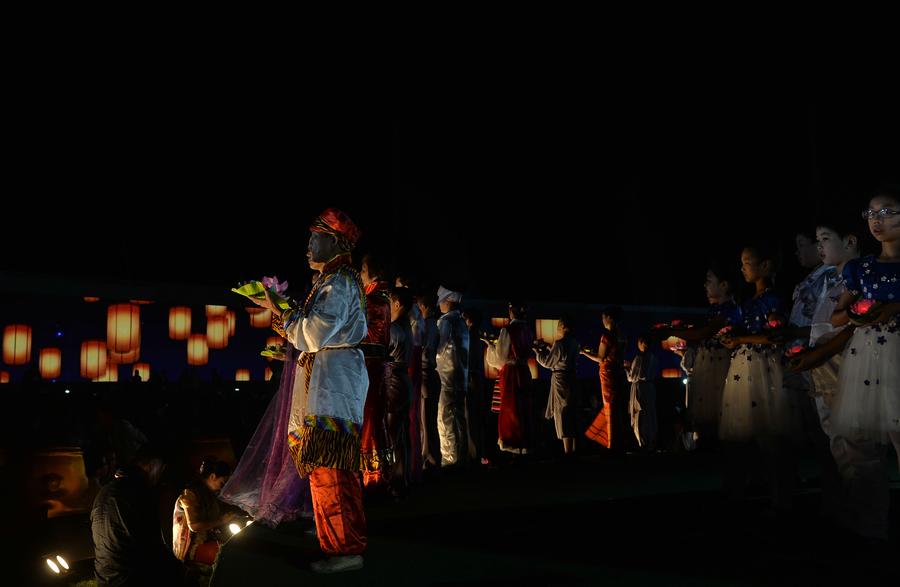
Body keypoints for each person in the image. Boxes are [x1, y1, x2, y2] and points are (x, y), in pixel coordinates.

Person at [252, 208, 368, 574]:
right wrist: (281, 311)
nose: (307, 246)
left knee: (329, 469)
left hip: (333, 383)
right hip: (331, 377)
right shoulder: (334, 280)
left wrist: (282, 314)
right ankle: (336, 537)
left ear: (333, 242)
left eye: (313, 238)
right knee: (329, 468)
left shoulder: (339, 282)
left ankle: (343, 548)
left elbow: (314, 334)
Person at [814, 186, 900, 540]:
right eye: (871, 214)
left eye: (887, 212)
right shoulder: (861, 268)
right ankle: (872, 524)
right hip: (866, 359)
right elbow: (836, 316)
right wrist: (859, 312)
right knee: (858, 444)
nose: (877, 221)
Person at [718, 244, 792, 510]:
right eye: (742, 263)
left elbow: (775, 335)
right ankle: (748, 493)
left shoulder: (773, 299)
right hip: (744, 368)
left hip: (763, 367)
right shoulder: (748, 302)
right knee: (744, 434)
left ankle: (780, 499)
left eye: (748, 262)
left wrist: (739, 338)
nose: (743, 268)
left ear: (766, 266)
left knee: (769, 435)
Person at [658, 263, 742, 449]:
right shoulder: (714, 311)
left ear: (724, 285)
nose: (705, 285)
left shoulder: (730, 309)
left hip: (722, 366)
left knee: (722, 412)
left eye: (709, 281)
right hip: (709, 365)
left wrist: (674, 331)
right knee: (707, 416)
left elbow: (705, 332)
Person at [91, 444, 184, 586]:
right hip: (130, 578)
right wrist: (179, 568)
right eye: (161, 470)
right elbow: (152, 547)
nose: (159, 477)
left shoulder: (105, 491)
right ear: (153, 465)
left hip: (105, 577)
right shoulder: (138, 492)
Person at [358, 252, 393, 493]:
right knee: (372, 420)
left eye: (362, 270)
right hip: (373, 367)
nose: (360, 276)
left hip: (369, 368)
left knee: (369, 420)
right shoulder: (379, 296)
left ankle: (374, 477)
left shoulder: (373, 300)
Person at [486, 301, 534, 456]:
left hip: (511, 373)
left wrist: (490, 346)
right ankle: (525, 443)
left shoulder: (508, 330)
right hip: (524, 371)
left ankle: (512, 443)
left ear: (511, 313)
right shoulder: (527, 329)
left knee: (511, 407)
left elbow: (500, 357)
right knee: (524, 407)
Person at [172, 458, 237, 565]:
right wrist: (221, 521)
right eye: (222, 483)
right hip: (191, 547)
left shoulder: (210, 494)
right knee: (228, 558)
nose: (223, 488)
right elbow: (194, 526)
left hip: (208, 539)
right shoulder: (190, 495)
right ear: (212, 476)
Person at [582, 306, 627, 453]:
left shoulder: (606, 335)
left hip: (607, 373)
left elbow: (601, 358)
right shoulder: (621, 335)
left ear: (609, 318)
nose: (602, 320)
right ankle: (618, 442)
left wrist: (584, 353)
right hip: (617, 372)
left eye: (603, 317)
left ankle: (611, 445)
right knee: (616, 407)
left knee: (609, 407)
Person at [534, 317, 580, 456]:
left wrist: (538, 352)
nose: (557, 329)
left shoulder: (560, 343)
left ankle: (567, 452)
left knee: (563, 413)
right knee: (571, 412)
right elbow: (562, 356)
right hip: (572, 378)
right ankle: (574, 451)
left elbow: (548, 363)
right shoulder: (574, 343)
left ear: (563, 326)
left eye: (558, 326)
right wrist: (549, 346)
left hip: (561, 380)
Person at [435, 285, 470, 466]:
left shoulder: (446, 322)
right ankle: (462, 456)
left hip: (446, 378)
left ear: (448, 301)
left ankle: (450, 459)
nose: (439, 304)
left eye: (441, 301)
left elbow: (438, 348)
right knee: (459, 417)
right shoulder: (462, 322)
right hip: (460, 377)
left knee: (445, 417)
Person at [385, 286, 414, 496]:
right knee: (401, 433)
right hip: (404, 380)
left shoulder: (394, 328)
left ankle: (394, 481)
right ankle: (403, 478)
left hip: (394, 380)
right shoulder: (408, 327)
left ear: (397, 304)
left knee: (392, 433)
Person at [418, 291, 442, 473]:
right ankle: (431, 456)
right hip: (431, 374)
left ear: (423, 307)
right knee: (430, 420)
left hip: (426, 373)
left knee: (426, 420)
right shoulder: (435, 325)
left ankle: (429, 458)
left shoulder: (426, 325)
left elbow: (423, 350)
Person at [627, 334, 659, 450]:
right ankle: (650, 441)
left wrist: (627, 369)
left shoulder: (639, 358)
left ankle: (643, 442)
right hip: (650, 388)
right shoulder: (653, 357)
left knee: (639, 414)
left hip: (640, 388)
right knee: (649, 414)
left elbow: (633, 377)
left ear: (641, 343)